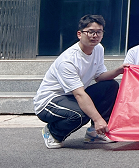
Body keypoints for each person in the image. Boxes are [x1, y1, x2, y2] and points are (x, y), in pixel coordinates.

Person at [35, 14, 124, 149]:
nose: (95, 36)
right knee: (80, 115)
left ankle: (95, 134)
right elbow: (79, 94)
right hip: (49, 102)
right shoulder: (68, 60)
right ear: (79, 34)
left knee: (110, 85)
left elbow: (99, 77)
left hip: (71, 97)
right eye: (90, 32)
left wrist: (118, 70)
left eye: (99, 32)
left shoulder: (98, 49)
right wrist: (98, 119)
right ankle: (53, 132)